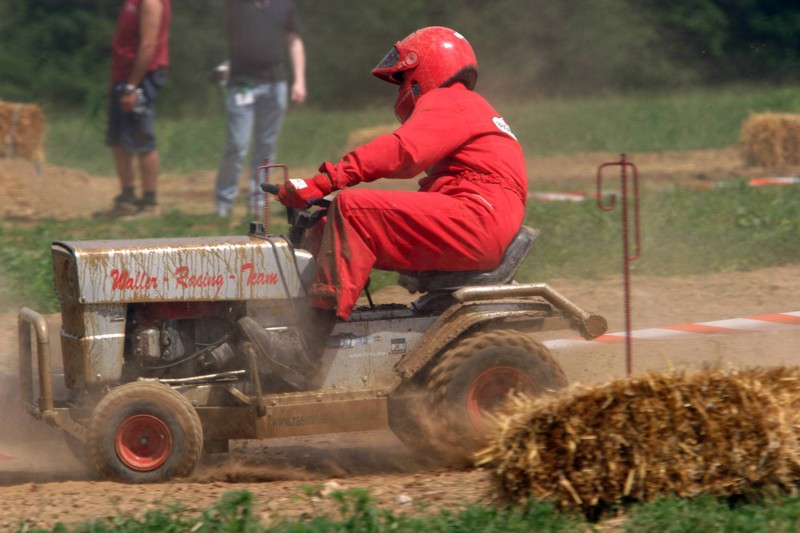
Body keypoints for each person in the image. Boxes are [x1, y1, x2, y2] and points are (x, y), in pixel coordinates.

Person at [237, 26, 528, 390]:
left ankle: (304, 352)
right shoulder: (466, 105)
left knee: (353, 208)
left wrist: (322, 182)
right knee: (330, 220)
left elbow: (403, 153)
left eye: (403, 77)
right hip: (478, 215)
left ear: (425, 70)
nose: (402, 88)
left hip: (477, 217)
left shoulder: (450, 99)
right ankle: (304, 328)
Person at [214, 0, 307, 218]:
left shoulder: (284, 6)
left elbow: (294, 41)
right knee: (237, 143)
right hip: (242, 83)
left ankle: (258, 202)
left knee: (266, 145)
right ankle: (223, 203)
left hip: (275, 84)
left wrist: (299, 81)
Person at [101, 0, 171, 218]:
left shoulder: (150, 2)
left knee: (141, 137)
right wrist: (118, 81)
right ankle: (127, 198)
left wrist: (132, 86)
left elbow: (148, 45)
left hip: (141, 77)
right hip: (124, 77)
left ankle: (150, 202)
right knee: (119, 139)